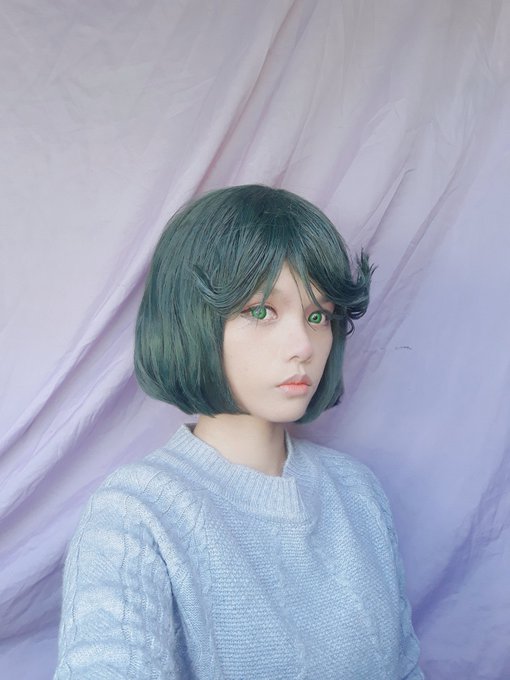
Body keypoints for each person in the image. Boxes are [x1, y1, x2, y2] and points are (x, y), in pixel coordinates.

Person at [54, 185, 423, 679]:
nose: (303, 345)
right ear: (190, 320)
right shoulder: (135, 514)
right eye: (261, 311)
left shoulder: (357, 493)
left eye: (318, 316)